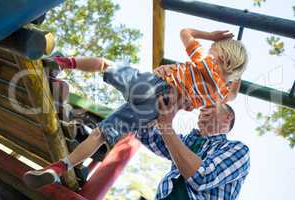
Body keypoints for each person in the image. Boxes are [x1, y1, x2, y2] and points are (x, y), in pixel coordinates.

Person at [23, 28, 248, 190]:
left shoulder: (205, 60)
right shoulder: (219, 94)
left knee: (104, 64)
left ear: (218, 53)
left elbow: (185, 32)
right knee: (101, 134)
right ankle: (59, 168)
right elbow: (234, 94)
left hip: (151, 84)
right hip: (161, 108)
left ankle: (63, 63)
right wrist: (236, 74)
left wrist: (210, 36)